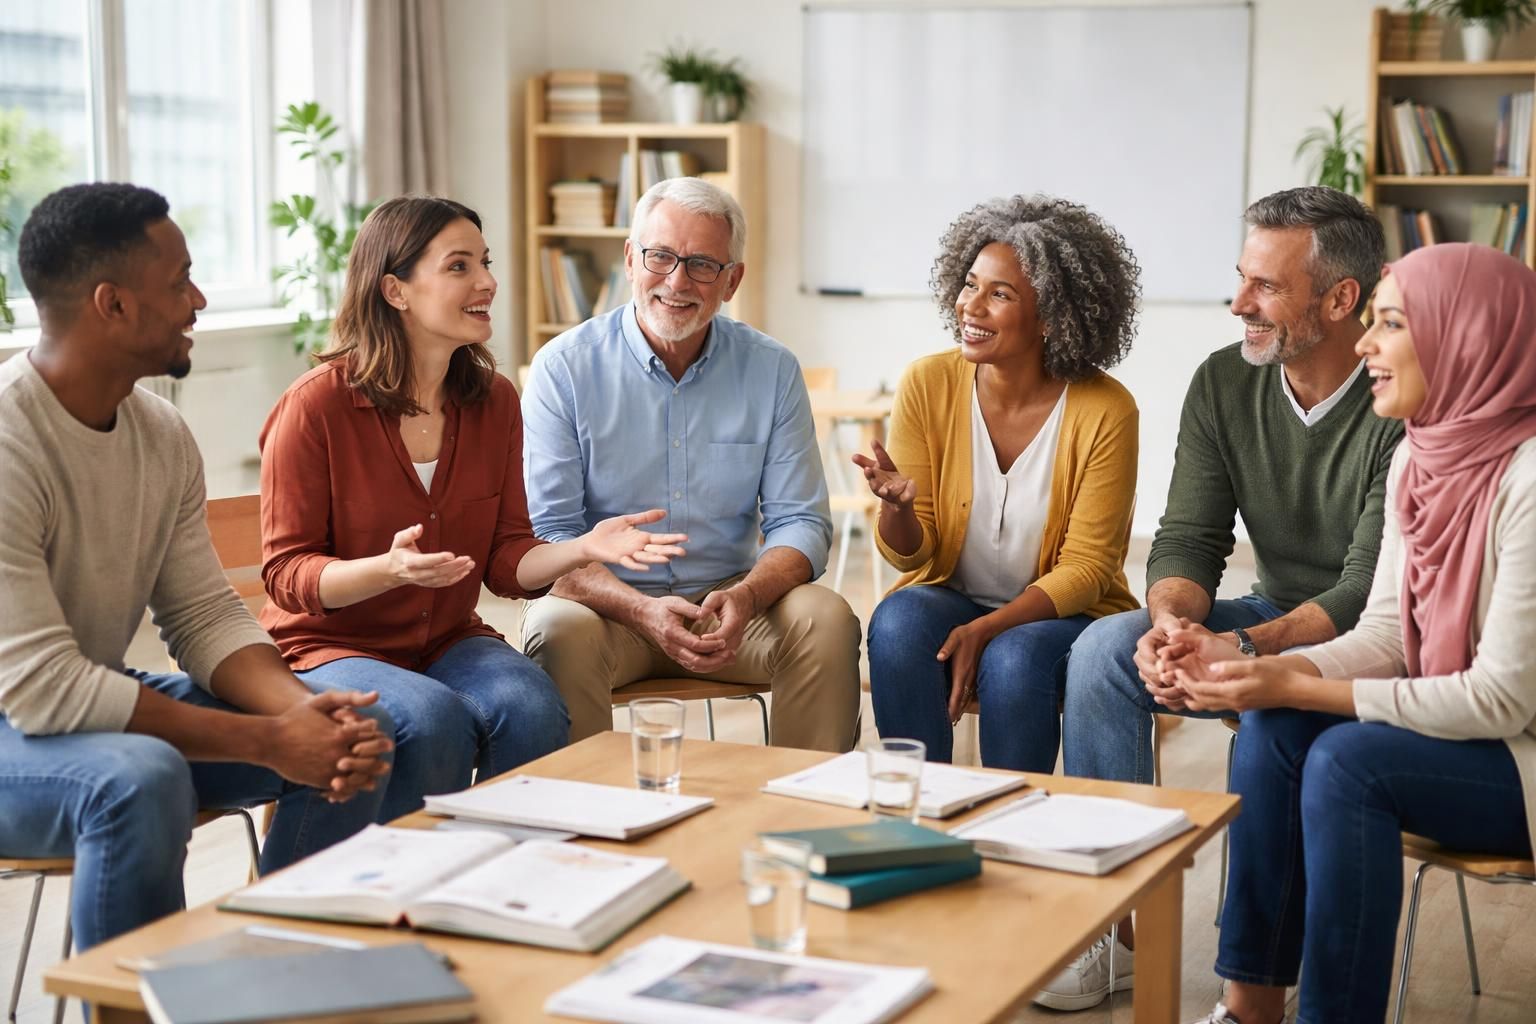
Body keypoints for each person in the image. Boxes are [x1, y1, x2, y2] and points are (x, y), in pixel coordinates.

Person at [0, 183, 392, 952]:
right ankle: (142, 1004)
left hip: (79, 700)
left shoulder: (161, 432)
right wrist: (266, 742)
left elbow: (204, 614)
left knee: (354, 727)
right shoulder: (10, 442)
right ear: (111, 305)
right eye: (179, 281)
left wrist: (294, 716)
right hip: (21, 715)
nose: (199, 298)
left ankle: (284, 973)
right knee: (140, 780)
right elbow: (42, 688)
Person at [1045, 186, 1405, 1010]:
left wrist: (1246, 650)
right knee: (1106, 650)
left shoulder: (1398, 395)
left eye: (1266, 287)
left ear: (1342, 298)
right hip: (1274, 611)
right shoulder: (1223, 381)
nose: (1239, 302)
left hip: (1373, 642)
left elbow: (1368, 590)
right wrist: (1175, 624)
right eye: (1241, 278)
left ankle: (1254, 992)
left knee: (1272, 718)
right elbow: (1188, 538)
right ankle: (1123, 927)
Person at [1171, 242, 1536, 1024]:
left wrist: (1298, 679)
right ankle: (1251, 1006)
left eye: (1393, 323)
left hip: (1522, 757)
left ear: (1465, 337)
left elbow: (1503, 702)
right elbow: (1386, 637)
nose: (1366, 343)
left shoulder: (1530, 480)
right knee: (1276, 721)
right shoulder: (1423, 459)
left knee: (1346, 760)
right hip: (1461, 734)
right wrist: (1254, 666)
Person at [260, 196, 684, 820]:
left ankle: (501, 877)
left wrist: (584, 547)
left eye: (484, 263)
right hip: (330, 646)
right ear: (396, 291)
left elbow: (505, 561)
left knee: (532, 706)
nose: (488, 281)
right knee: (428, 719)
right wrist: (387, 570)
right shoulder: (315, 407)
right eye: (459, 266)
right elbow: (286, 575)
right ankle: (395, 885)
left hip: (446, 638)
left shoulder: (493, 400)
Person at [520, 177, 861, 751]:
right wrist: (639, 610)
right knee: (555, 629)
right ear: (630, 259)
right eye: (660, 256)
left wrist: (749, 595)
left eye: (703, 264)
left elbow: (801, 522)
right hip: (605, 609)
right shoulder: (563, 368)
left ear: (732, 280)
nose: (677, 282)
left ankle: (803, 820)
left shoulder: (772, 369)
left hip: (730, 607)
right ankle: (585, 824)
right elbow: (546, 535)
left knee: (825, 619)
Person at [858, 195, 1141, 771]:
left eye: (1000, 294)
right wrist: (898, 511)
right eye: (969, 285)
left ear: (1053, 316)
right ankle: (917, 809)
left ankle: (1015, 822)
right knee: (896, 624)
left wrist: (986, 629)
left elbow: (1088, 569)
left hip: (1063, 617)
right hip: (953, 595)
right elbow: (914, 551)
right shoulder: (928, 383)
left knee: (1012, 660)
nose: (971, 306)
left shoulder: (1107, 410)